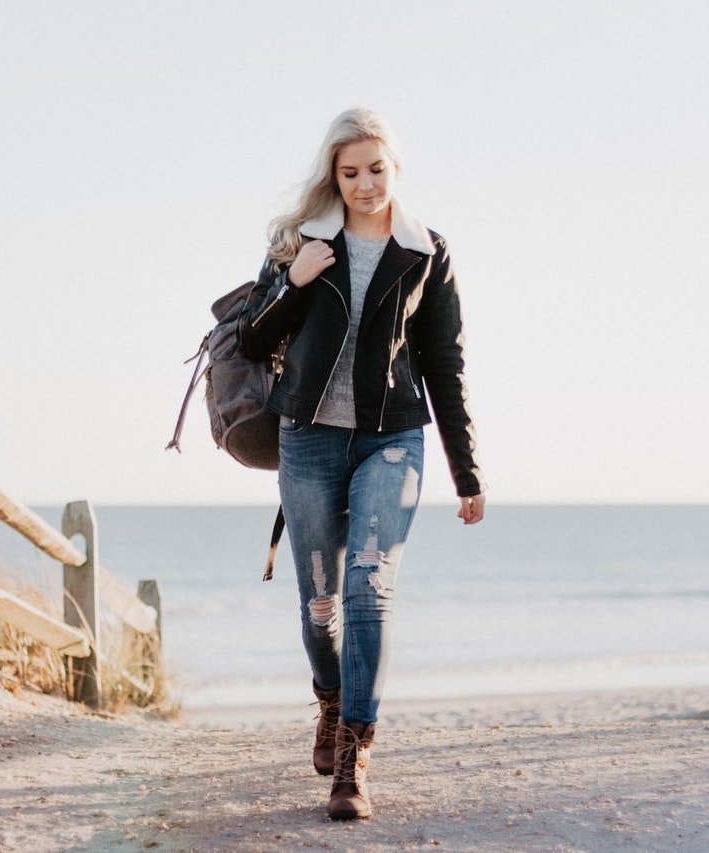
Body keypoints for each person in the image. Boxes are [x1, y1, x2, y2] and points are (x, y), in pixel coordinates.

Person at [237, 107, 486, 821]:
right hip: (308, 439)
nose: (365, 183)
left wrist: (466, 471)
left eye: (376, 169)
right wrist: (297, 283)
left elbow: (444, 362)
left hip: (392, 440)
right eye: (350, 172)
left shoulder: (426, 251)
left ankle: (353, 760)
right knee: (320, 609)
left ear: (394, 168)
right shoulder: (300, 242)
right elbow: (252, 343)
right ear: (333, 176)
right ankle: (329, 699)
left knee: (368, 589)